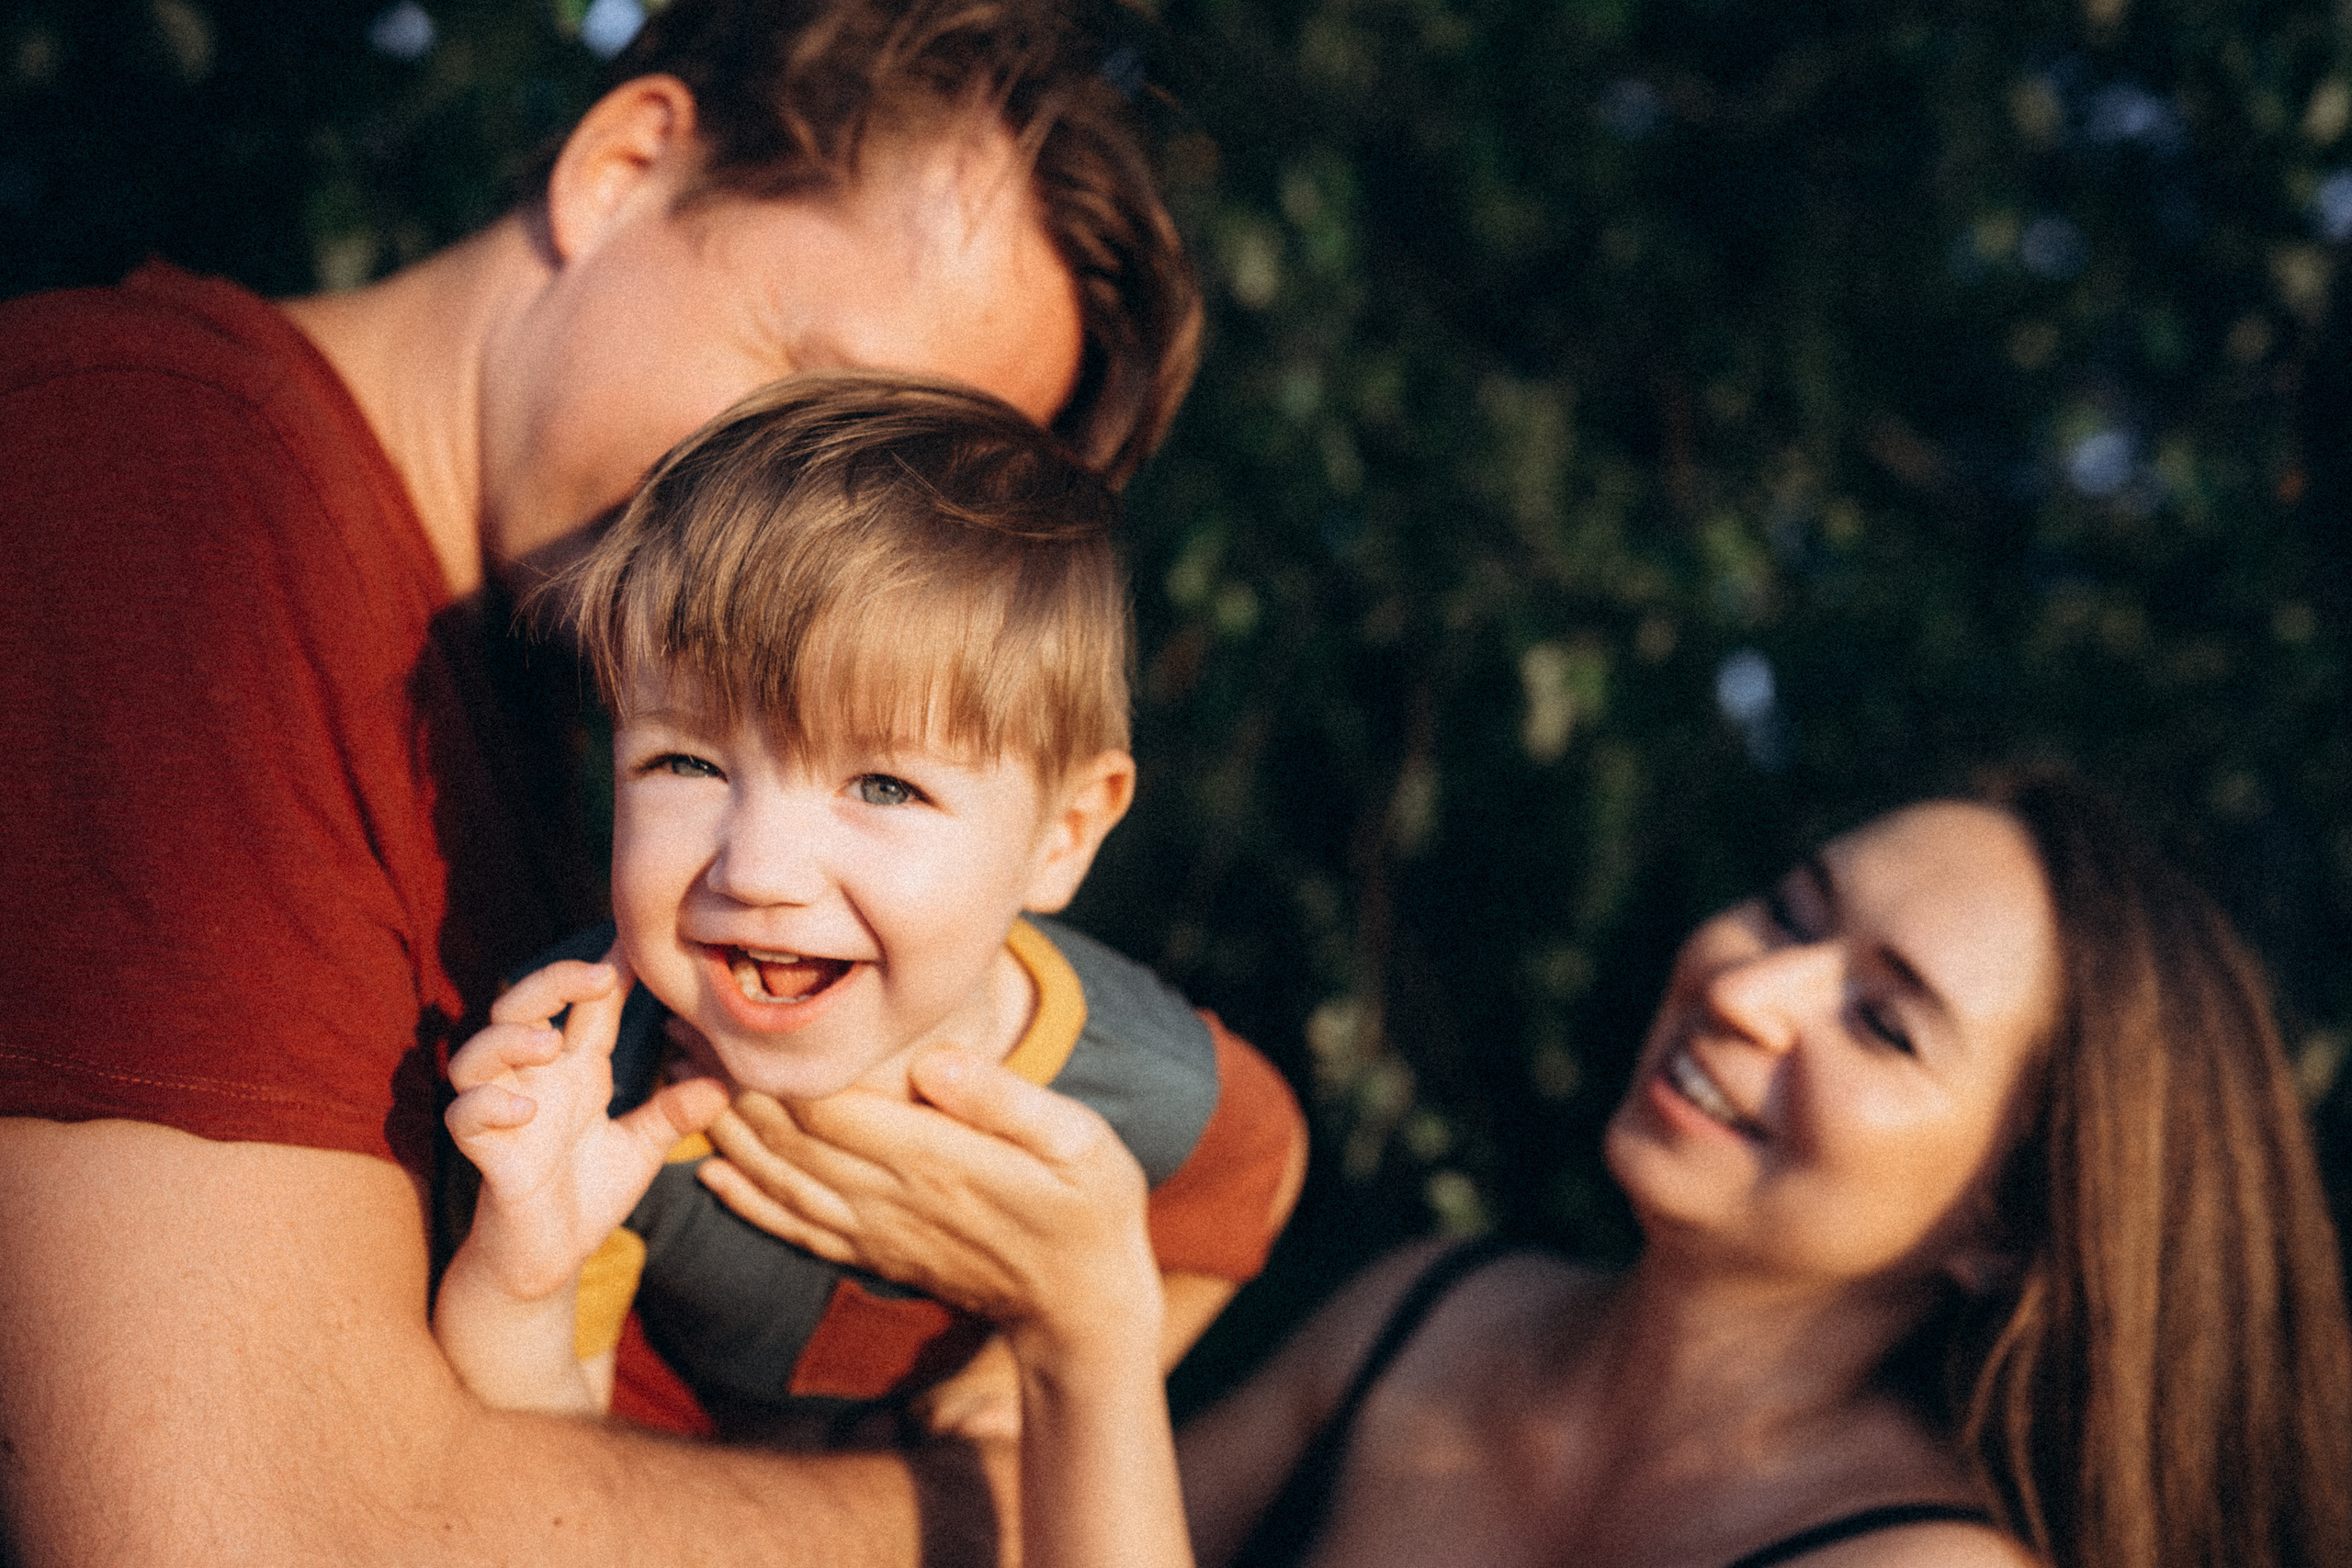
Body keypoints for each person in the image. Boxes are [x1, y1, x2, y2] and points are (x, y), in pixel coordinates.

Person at [0, 1, 1199, 1562]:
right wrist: (1023, 1505)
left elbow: (1238, 1145)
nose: (800, 551)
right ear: (623, 164)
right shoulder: (144, 481)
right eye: (796, 405)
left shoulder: (577, 711)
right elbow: (246, 1529)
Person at [709, 773, 2352, 1568]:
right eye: (1791, 907)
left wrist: (1090, 1325)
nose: (1746, 983)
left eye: (1885, 1019)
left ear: (2003, 1225)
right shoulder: (1436, 1310)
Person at [432, 374, 1305, 1449]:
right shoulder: (592, 1086)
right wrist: (519, 1278)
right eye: (686, 760)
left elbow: (1258, 1163)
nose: (756, 869)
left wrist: (1021, 1388)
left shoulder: (1125, 1073)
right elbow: (538, 1474)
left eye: (883, 786)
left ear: (1062, 836)